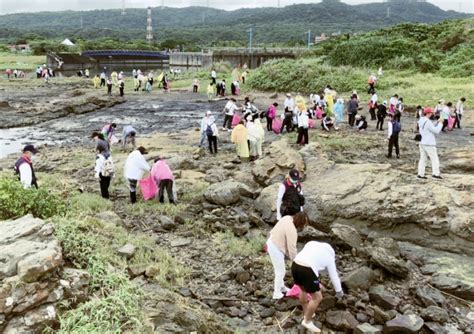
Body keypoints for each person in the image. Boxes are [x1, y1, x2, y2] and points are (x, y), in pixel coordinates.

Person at [292, 241, 344, 333]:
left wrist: (316, 280)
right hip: (307, 270)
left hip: (295, 265)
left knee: (303, 290)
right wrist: (339, 291)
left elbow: (313, 260)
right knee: (317, 297)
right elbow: (333, 276)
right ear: (333, 250)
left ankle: (307, 312)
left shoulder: (311, 243)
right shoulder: (329, 256)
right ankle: (307, 321)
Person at [267, 212, 309, 299]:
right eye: (304, 224)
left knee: (280, 269)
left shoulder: (287, 218)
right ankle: (276, 293)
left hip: (271, 241)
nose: (304, 226)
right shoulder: (292, 231)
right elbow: (292, 248)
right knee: (280, 271)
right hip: (275, 248)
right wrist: (295, 261)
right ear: (300, 223)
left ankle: (282, 287)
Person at [417, 108, 444, 180]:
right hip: (429, 143)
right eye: (431, 113)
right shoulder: (428, 122)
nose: (432, 114)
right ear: (428, 113)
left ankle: (420, 174)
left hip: (422, 142)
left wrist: (437, 122)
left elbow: (429, 127)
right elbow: (436, 130)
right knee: (434, 159)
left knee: (423, 159)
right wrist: (441, 123)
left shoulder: (421, 120)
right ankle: (435, 174)